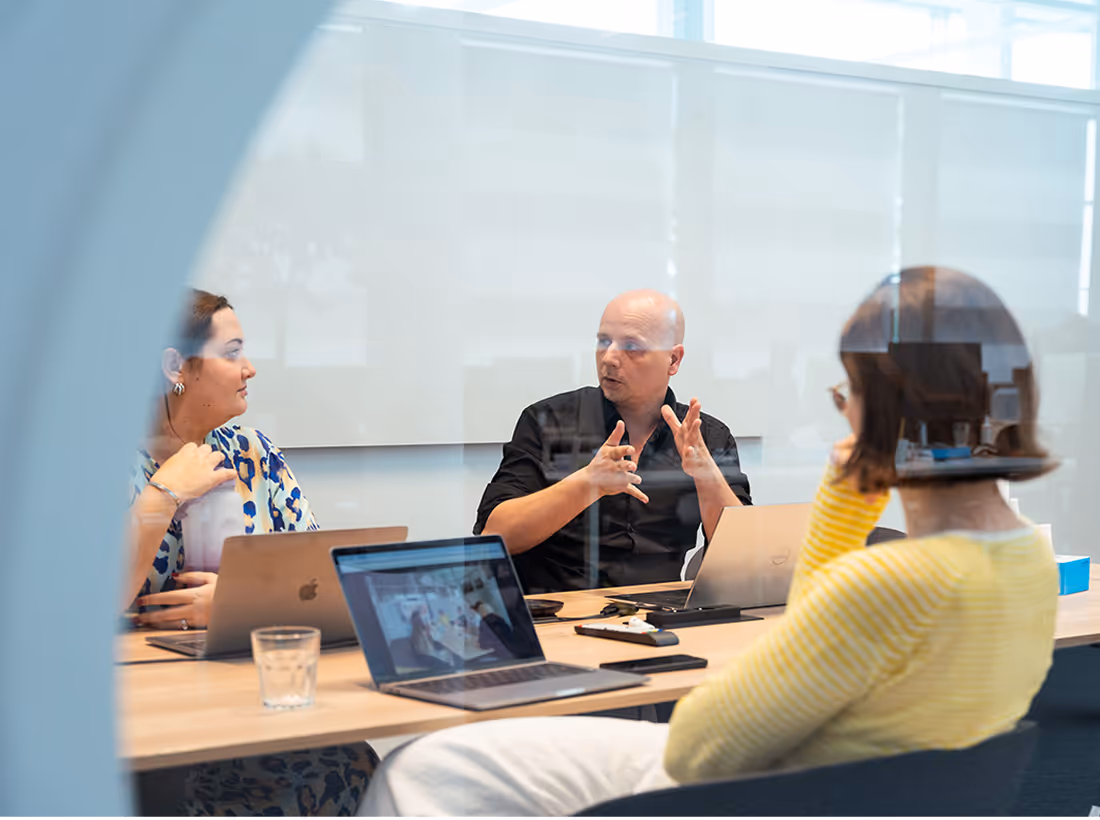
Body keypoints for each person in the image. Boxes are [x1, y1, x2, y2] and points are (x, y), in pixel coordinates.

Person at [358, 267, 1060, 816]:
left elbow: (703, 744)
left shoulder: (886, 583)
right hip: (865, 795)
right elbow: (819, 619)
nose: (841, 410)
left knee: (422, 769)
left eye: (850, 392)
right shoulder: (1029, 560)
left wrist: (829, 482)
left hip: (756, 795)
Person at [127, 289, 377, 816]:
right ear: (177, 366)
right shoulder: (101, 455)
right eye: (233, 351)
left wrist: (239, 603)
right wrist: (163, 495)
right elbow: (88, 598)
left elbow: (317, 579)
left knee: (349, 759)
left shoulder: (252, 452)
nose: (251, 368)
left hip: (250, 685)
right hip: (142, 702)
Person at [475, 289, 751, 593]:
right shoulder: (548, 421)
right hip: (559, 618)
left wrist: (706, 475)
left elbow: (743, 561)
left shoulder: (706, 436)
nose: (609, 358)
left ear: (673, 359)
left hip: (661, 619)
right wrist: (586, 484)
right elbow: (495, 534)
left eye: (631, 346)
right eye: (603, 342)